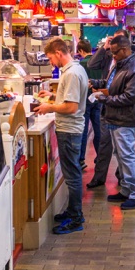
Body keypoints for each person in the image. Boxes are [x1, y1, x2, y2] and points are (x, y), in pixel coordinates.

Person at [34, 37, 89, 234]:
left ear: (58, 53)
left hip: (69, 130)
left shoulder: (71, 74)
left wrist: (49, 107)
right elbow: (68, 99)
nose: (51, 62)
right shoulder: (74, 69)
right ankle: (72, 211)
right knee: (71, 174)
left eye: (50, 58)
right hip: (70, 129)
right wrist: (51, 97)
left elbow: (71, 107)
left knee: (73, 176)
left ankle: (76, 218)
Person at [91, 34, 135, 210]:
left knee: (127, 156)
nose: (112, 56)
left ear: (125, 50)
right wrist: (95, 82)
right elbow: (111, 85)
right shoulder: (120, 65)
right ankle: (126, 189)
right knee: (121, 157)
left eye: (115, 53)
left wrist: (103, 99)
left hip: (126, 119)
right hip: (116, 118)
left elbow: (129, 97)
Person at [77, 39, 110, 170]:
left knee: (83, 131)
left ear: (80, 51)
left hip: (85, 99)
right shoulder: (101, 62)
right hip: (98, 98)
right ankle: (100, 157)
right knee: (98, 130)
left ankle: (81, 159)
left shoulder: (81, 64)